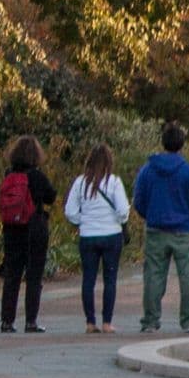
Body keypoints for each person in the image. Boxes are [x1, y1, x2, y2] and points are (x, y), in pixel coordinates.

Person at [133, 123, 189, 334]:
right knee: (187, 276)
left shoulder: (148, 170)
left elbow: (138, 200)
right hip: (185, 232)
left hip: (156, 230)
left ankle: (150, 320)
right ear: (182, 145)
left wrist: (150, 215)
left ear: (163, 143)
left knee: (153, 276)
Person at [62, 143, 131, 335]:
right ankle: (107, 322)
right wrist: (119, 220)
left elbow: (70, 212)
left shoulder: (81, 182)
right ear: (109, 161)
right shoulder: (114, 182)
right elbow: (123, 210)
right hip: (111, 236)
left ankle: (90, 322)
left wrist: (83, 221)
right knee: (110, 279)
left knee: (88, 279)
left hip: (88, 236)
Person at [0, 133, 56, 335]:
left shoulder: (8, 175)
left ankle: (6, 321)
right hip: (34, 227)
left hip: (11, 228)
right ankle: (30, 321)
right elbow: (51, 196)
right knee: (34, 275)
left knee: (12, 275)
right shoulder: (37, 176)